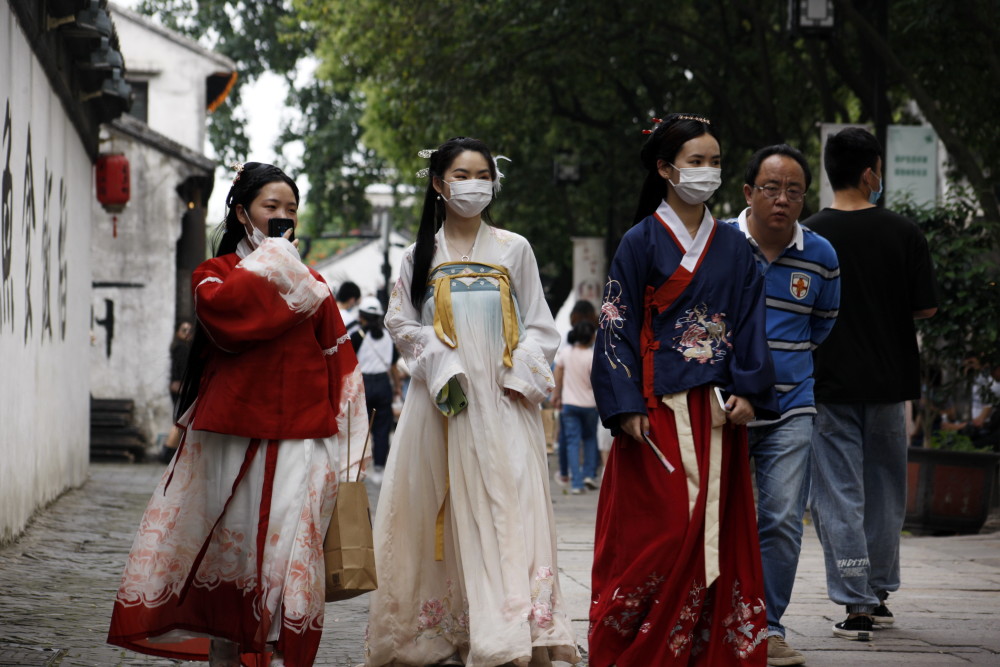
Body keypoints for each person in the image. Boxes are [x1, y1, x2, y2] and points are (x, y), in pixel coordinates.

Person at [107, 162, 368, 667]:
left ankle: (271, 656)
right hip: (227, 440)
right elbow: (228, 321)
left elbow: (341, 366)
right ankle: (226, 656)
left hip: (301, 438)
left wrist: (352, 446)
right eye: (271, 207)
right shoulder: (213, 276)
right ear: (242, 211)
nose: (283, 217)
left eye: (291, 209)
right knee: (234, 552)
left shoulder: (314, 285)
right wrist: (274, 262)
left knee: (287, 556)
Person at [365, 137, 579, 667]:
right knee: (444, 507)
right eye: (462, 174)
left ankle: (512, 627)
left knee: (514, 505)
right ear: (439, 184)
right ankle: (451, 625)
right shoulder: (420, 255)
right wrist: (440, 361)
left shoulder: (514, 248)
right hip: (443, 401)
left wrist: (517, 373)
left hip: (506, 400)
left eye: (484, 173)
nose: (475, 184)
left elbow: (540, 325)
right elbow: (400, 322)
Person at [589, 113, 778, 666]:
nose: (708, 171)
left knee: (716, 527)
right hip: (654, 408)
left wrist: (749, 389)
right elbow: (616, 323)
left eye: (715, 161)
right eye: (696, 162)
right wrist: (624, 405)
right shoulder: (640, 240)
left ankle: (705, 643)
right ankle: (641, 641)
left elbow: (749, 320)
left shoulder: (734, 246)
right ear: (666, 169)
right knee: (665, 529)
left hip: (716, 411)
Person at [806, 127, 938, 642]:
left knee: (837, 492)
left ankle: (855, 597)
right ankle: (877, 591)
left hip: (828, 383)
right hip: (889, 381)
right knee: (885, 489)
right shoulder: (904, 232)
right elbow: (925, 305)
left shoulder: (810, 234)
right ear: (870, 173)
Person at [727, 144, 841, 665]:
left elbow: (821, 325)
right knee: (716, 518)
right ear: (748, 192)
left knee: (780, 519)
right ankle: (708, 622)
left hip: (792, 407)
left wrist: (780, 371)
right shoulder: (717, 245)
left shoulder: (821, 255)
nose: (782, 199)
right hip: (722, 406)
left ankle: (766, 628)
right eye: (771, 188)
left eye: (794, 191)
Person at [351, 295, 400, 483]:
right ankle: (379, 469)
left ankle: (358, 467)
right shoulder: (389, 337)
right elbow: (393, 366)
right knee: (381, 428)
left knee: (360, 428)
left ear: (362, 316)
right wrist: (396, 387)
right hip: (383, 384)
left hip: (362, 385)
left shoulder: (357, 336)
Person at [553, 300, 599, 489]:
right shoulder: (591, 356)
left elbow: (558, 373)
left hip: (569, 404)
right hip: (590, 404)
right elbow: (596, 380)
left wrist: (556, 395)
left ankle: (576, 482)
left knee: (572, 442)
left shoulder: (565, 353)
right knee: (589, 439)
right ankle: (589, 474)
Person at [161, 319, 194, 462]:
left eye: (189, 330)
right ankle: (168, 452)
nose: (187, 333)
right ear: (177, 332)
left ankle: (171, 451)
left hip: (178, 387)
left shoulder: (178, 346)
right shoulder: (182, 348)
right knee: (180, 419)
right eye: (183, 330)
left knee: (180, 419)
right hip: (181, 388)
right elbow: (181, 371)